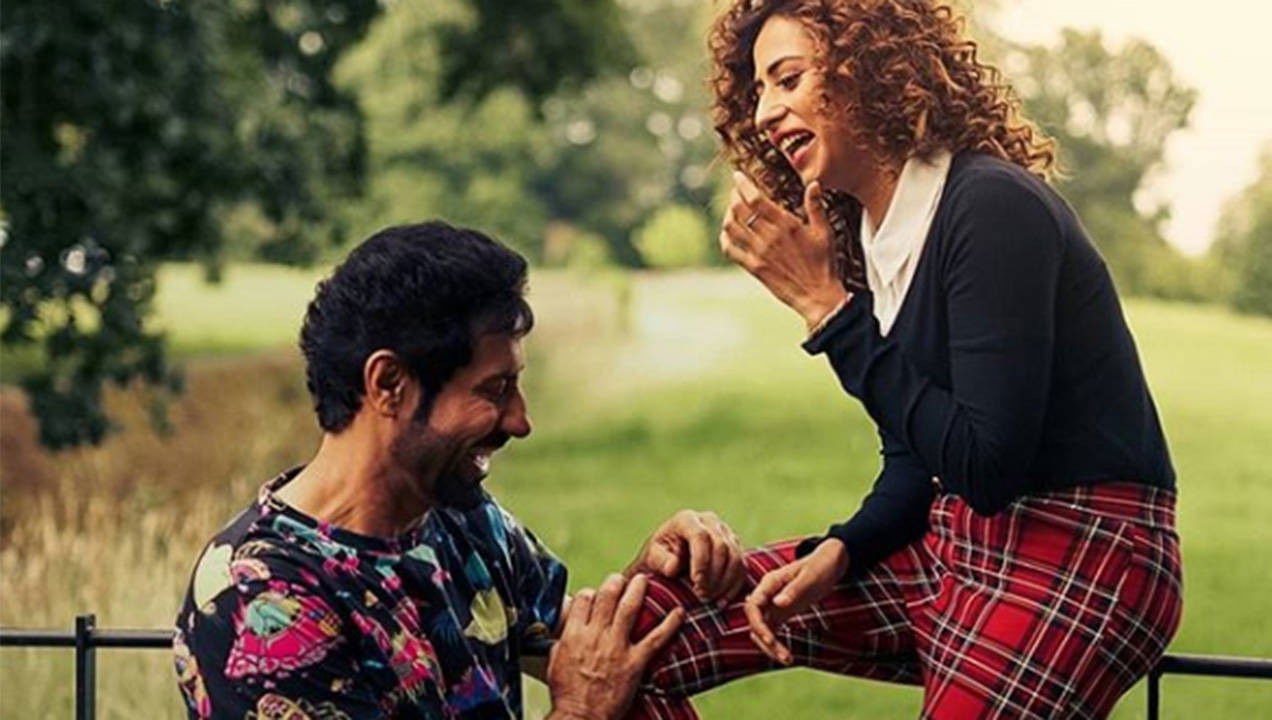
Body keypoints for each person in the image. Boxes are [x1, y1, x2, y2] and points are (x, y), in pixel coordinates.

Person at [621, 1, 1182, 717]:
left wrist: (830, 314)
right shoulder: (870, 237)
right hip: (954, 539)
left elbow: (986, 465)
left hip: (1087, 545)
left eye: (787, 79)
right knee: (645, 632)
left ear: (869, 67)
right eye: (758, 91)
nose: (764, 113)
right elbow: (921, 458)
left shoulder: (990, 207)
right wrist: (845, 550)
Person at [172, 222, 749, 720]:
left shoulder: (464, 520)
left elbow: (582, 652)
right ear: (389, 384)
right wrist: (580, 712)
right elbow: (587, 690)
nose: (520, 421)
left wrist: (649, 582)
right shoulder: (263, 596)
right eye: (495, 390)